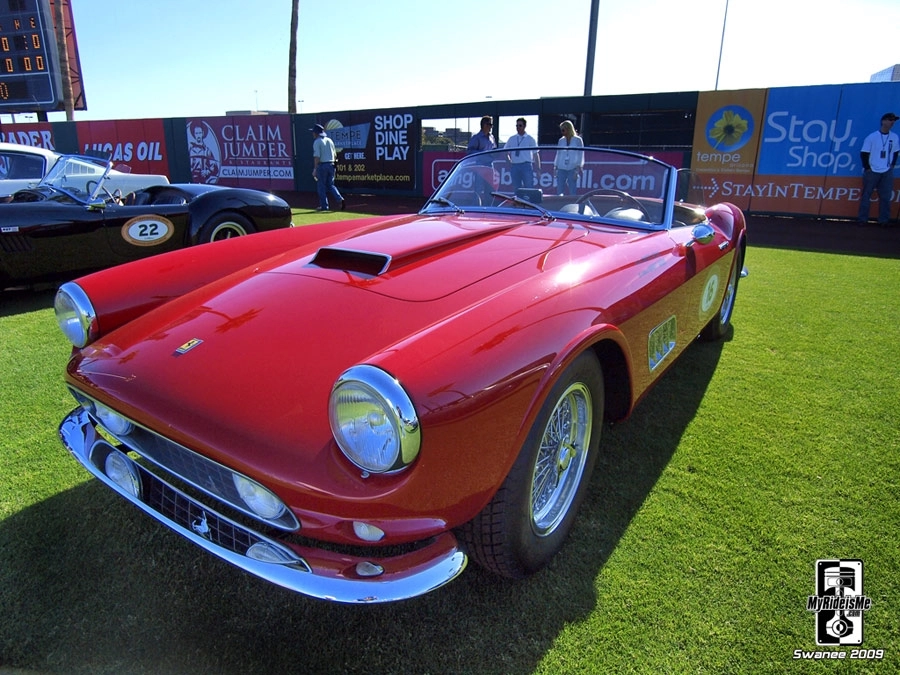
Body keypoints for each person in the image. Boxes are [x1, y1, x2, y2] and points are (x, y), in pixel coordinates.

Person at [857, 112, 898, 225]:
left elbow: (895, 152)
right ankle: (862, 219)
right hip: (872, 170)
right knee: (866, 195)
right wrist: (867, 168)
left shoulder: (894, 137)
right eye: (890, 120)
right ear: (883, 121)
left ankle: (884, 220)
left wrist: (892, 165)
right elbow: (864, 153)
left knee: (886, 197)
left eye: (893, 120)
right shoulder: (872, 137)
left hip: (886, 171)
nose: (892, 122)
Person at [311, 123, 345, 211]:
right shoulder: (329, 140)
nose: (313, 134)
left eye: (313, 132)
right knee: (331, 185)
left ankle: (324, 206)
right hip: (331, 164)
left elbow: (317, 157)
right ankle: (339, 198)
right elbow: (335, 154)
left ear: (316, 133)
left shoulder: (317, 142)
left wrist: (315, 169)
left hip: (322, 165)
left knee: (321, 186)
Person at [506, 118, 540, 190]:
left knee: (529, 187)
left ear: (524, 126)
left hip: (526, 165)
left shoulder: (530, 139)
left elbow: (535, 154)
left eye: (520, 125)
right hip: (515, 165)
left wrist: (538, 169)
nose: (518, 127)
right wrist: (509, 161)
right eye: (517, 126)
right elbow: (505, 152)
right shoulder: (512, 138)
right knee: (516, 188)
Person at [554, 120, 584, 196]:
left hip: (572, 168)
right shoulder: (561, 140)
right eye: (561, 130)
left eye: (563, 130)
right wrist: (555, 167)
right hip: (561, 167)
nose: (562, 132)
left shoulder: (578, 140)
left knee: (572, 190)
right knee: (559, 190)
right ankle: (559, 202)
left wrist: (577, 170)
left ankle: (572, 203)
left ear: (568, 129)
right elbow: (558, 154)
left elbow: (580, 155)